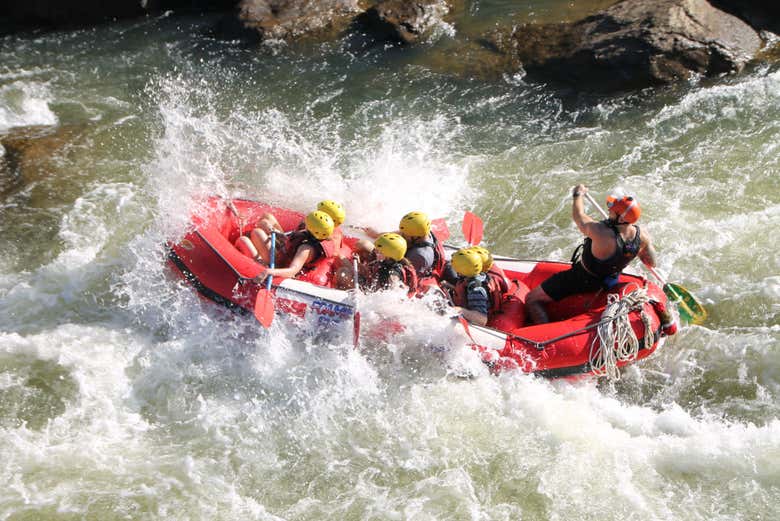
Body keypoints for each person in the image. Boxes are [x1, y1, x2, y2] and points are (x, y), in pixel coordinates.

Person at [524, 184, 657, 324]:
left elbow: (579, 217)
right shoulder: (642, 236)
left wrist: (577, 195)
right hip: (611, 280)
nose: (609, 210)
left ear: (621, 218)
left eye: (613, 210)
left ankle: (544, 335)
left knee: (532, 299)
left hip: (582, 279)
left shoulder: (601, 233)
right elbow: (651, 263)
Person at [246, 210, 338, 283]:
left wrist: (268, 271)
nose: (304, 222)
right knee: (267, 217)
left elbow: (292, 271)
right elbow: (294, 240)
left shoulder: (305, 249)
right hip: (286, 251)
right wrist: (278, 234)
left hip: (281, 262)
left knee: (255, 234)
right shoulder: (315, 234)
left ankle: (246, 244)